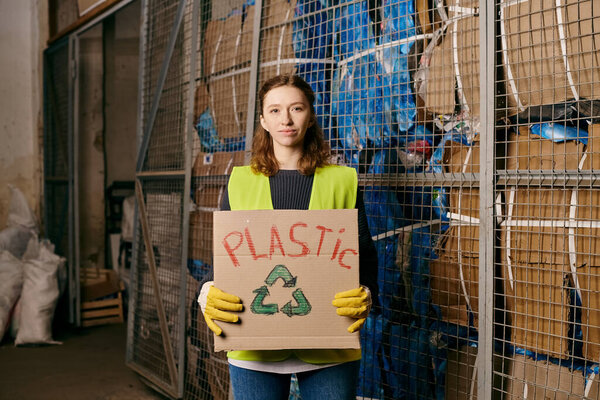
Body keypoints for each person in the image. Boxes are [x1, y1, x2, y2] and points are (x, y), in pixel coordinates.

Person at [198, 74, 378, 400]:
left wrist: (365, 290)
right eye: (276, 110)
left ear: (310, 117)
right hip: (254, 346)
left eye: (296, 108)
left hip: (328, 346)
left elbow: (363, 252)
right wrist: (206, 291)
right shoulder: (239, 181)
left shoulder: (343, 180)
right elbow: (225, 258)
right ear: (264, 120)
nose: (286, 119)